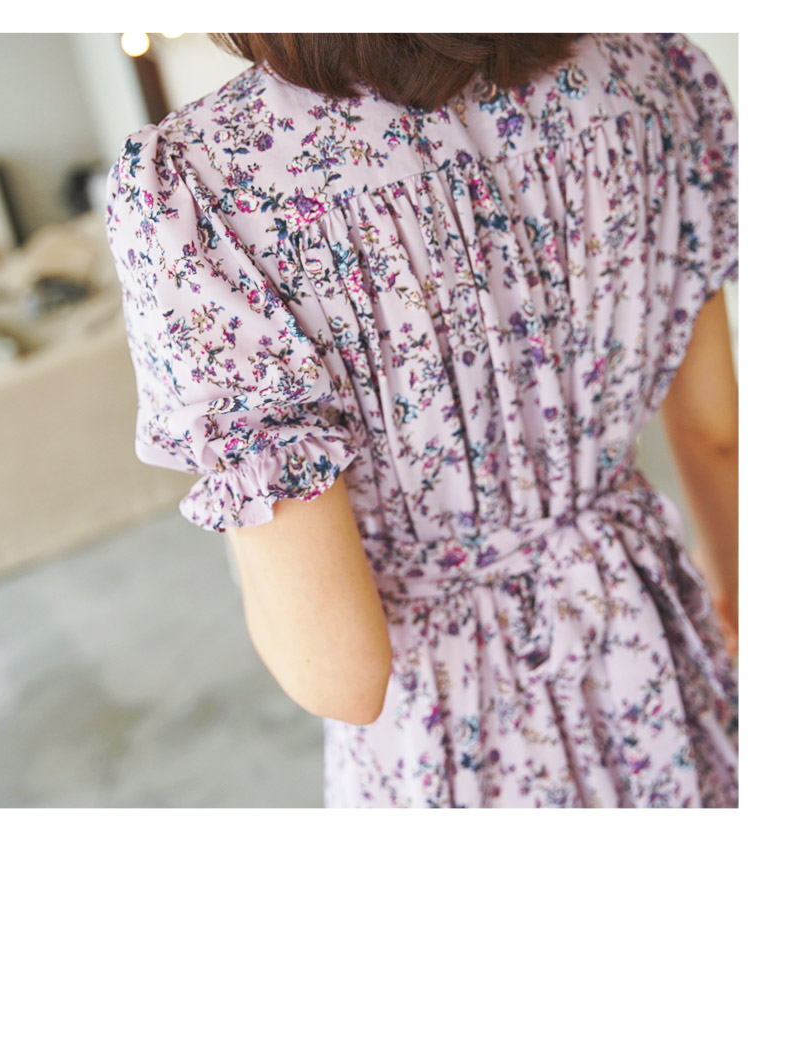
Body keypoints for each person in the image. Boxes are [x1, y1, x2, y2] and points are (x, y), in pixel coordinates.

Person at [105, 32, 738, 808]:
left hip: (448, 730)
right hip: (649, 638)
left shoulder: (199, 187)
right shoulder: (649, 75)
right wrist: (734, 584)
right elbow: (718, 435)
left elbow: (338, 671)